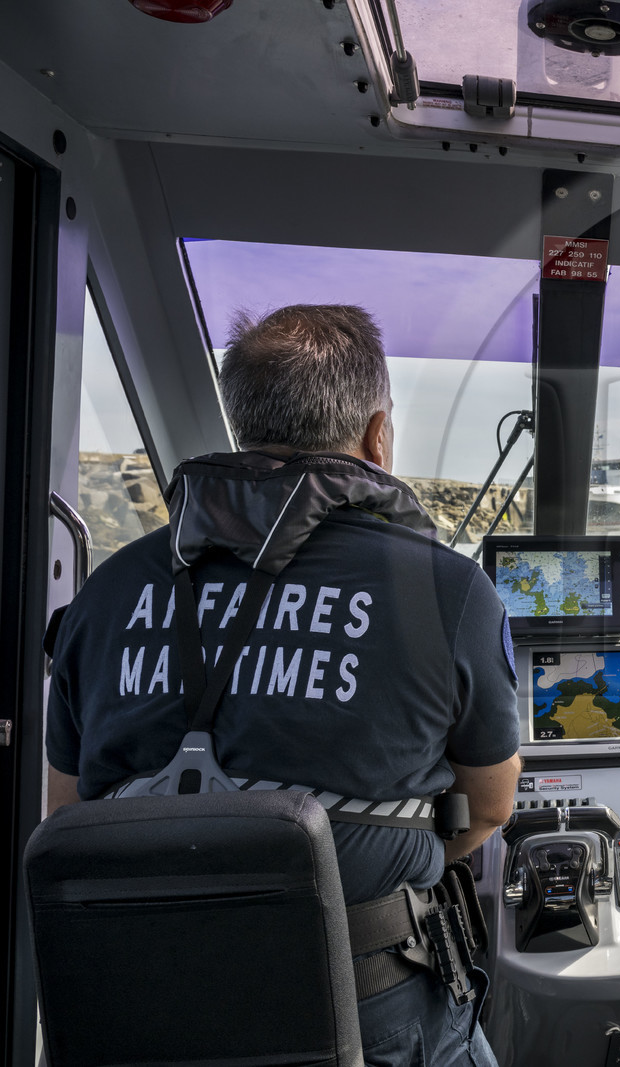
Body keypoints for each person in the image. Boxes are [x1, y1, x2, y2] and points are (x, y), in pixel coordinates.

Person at [44, 305, 521, 1066]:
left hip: (145, 1014)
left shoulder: (105, 593)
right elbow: (489, 806)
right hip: (372, 1017)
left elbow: (66, 819)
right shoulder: (448, 593)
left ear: (244, 427)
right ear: (376, 435)